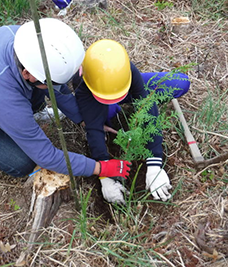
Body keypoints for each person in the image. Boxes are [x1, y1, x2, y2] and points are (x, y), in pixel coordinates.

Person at [0, 19, 131, 182]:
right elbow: (46, 156)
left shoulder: (26, 40)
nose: (57, 86)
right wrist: (99, 167)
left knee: (40, 89)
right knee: (23, 162)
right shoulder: (4, 99)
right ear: (27, 73)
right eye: (52, 82)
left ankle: (20, 119)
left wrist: (84, 119)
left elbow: (57, 89)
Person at [72, 39, 190, 204]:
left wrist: (155, 163)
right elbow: (94, 129)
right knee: (112, 111)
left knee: (180, 83)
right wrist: (104, 176)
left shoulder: (126, 69)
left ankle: (117, 100)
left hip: (121, 87)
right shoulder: (83, 84)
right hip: (96, 97)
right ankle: (111, 109)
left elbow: (147, 106)